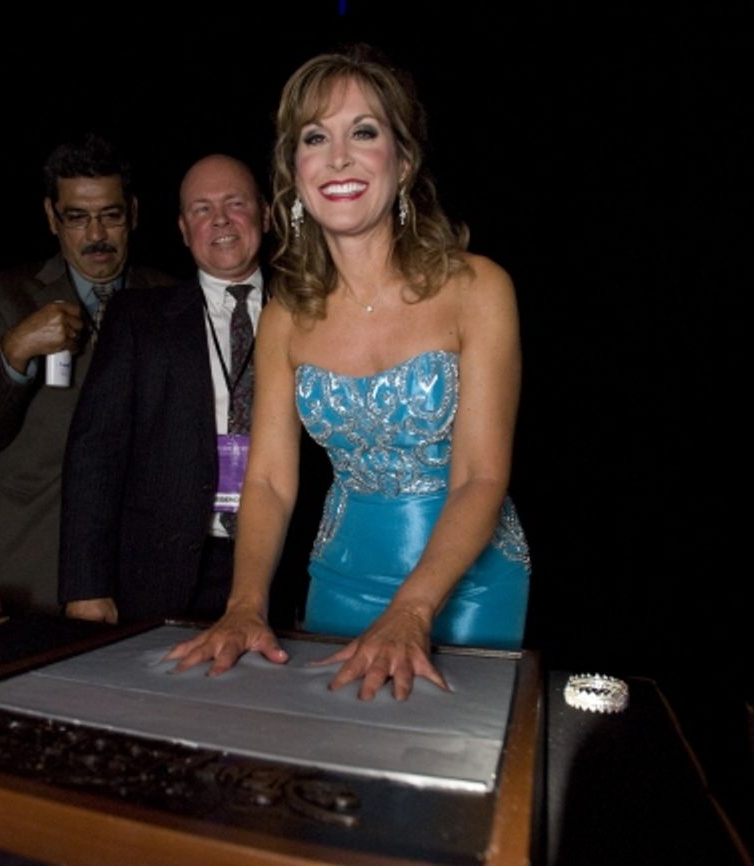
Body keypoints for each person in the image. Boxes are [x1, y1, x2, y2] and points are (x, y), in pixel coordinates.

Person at [168, 46, 531, 700]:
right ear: (295, 172)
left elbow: (481, 476)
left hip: (468, 586)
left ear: (403, 160)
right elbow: (270, 481)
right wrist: (245, 605)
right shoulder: (285, 317)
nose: (338, 158)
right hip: (339, 579)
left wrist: (412, 611)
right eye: (315, 138)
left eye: (363, 132)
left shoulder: (478, 288)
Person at [0, 134, 171, 611]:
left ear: (133, 213)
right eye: (77, 217)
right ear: (52, 217)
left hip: (145, 566)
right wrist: (15, 350)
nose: (96, 235)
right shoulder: (1, 297)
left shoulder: (171, 298)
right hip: (32, 561)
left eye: (110, 216)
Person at [59, 154, 270, 623]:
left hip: (283, 569)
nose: (220, 219)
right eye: (202, 209)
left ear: (267, 214)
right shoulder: (138, 319)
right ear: (183, 229)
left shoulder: (311, 313)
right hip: (161, 575)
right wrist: (86, 587)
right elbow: (95, 454)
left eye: (235, 203)